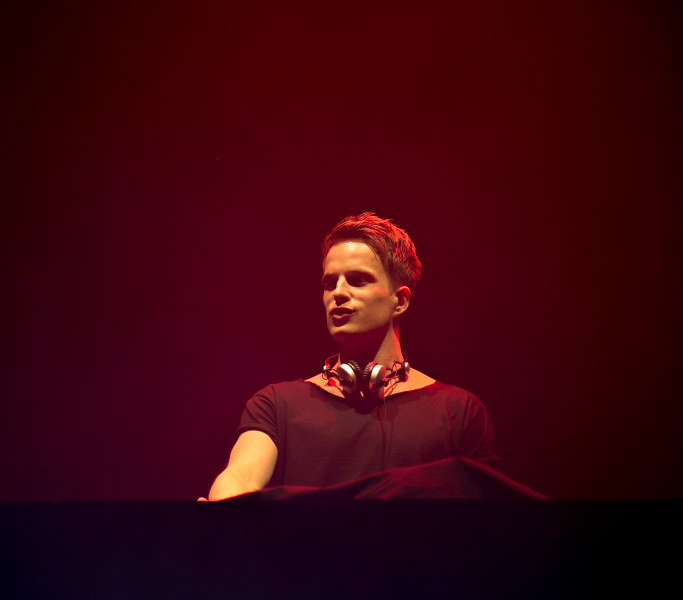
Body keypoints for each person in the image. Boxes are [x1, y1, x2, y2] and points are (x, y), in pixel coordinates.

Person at [200, 212, 497, 501]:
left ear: (400, 301)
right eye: (329, 283)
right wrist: (225, 504)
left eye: (357, 280)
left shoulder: (459, 413)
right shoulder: (276, 405)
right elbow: (240, 477)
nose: (338, 293)